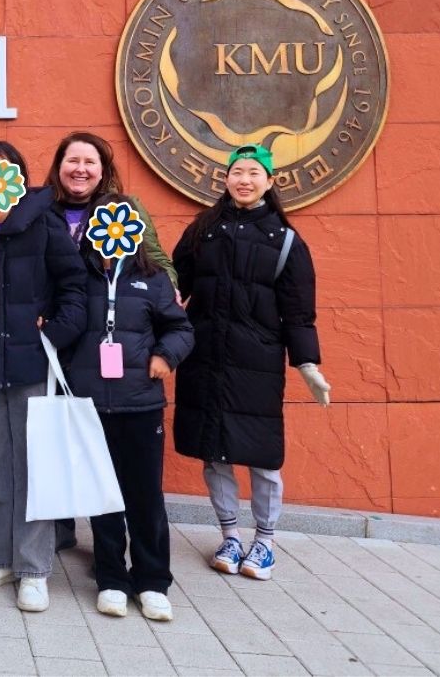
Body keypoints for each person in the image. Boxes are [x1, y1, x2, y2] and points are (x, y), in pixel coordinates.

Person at [172, 144, 330, 581]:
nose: (244, 179)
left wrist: (308, 365)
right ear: (225, 179)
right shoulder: (203, 229)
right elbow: (172, 282)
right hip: (205, 356)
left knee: (261, 456)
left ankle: (265, 540)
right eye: (237, 172)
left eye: (253, 173)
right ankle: (229, 536)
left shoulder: (286, 241)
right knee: (214, 453)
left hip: (256, 362)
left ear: (270, 181)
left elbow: (299, 312)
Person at [0, 142, 86, 612]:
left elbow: (73, 287)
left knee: (33, 468)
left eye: (7, 173)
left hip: (33, 364)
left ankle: (33, 568)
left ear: (20, 179)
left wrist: (57, 329)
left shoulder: (42, 221)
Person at [64, 193, 194, 622]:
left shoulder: (153, 278)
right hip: (90, 404)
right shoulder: (77, 277)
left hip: (140, 404)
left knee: (144, 496)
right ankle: (112, 579)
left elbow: (181, 329)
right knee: (103, 496)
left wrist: (165, 356)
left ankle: (153, 580)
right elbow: (64, 326)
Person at [45, 130, 176, 552]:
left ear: (103, 171)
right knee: (62, 437)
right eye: (72, 160)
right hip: (56, 341)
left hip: (111, 346)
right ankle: (63, 524)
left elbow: (155, 259)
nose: (80, 169)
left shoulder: (125, 209)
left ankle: (119, 551)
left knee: (111, 456)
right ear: (59, 165)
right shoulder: (41, 207)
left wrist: (165, 290)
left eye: (90, 162)